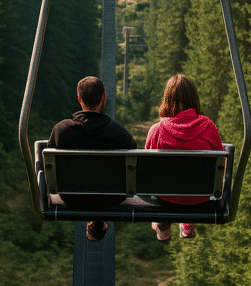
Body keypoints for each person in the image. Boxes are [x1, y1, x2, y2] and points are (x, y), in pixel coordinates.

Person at [49, 76, 136, 242]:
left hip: (72, 197)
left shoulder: (62, 130)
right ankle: (97, 224)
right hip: (112, 197)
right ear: (104, 97)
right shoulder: (119, 133)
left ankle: (97, 225)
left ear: (79, 99)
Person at [145, 73, 224, 241]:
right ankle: (187, 223)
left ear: (166, 99)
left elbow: (146, 168)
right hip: (199, 197)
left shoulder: (157, 130)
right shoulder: (208, 127)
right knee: (191, 184)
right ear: (194, 98)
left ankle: (162, 224)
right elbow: (221, 161)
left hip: (165, 197)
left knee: (167, 185)